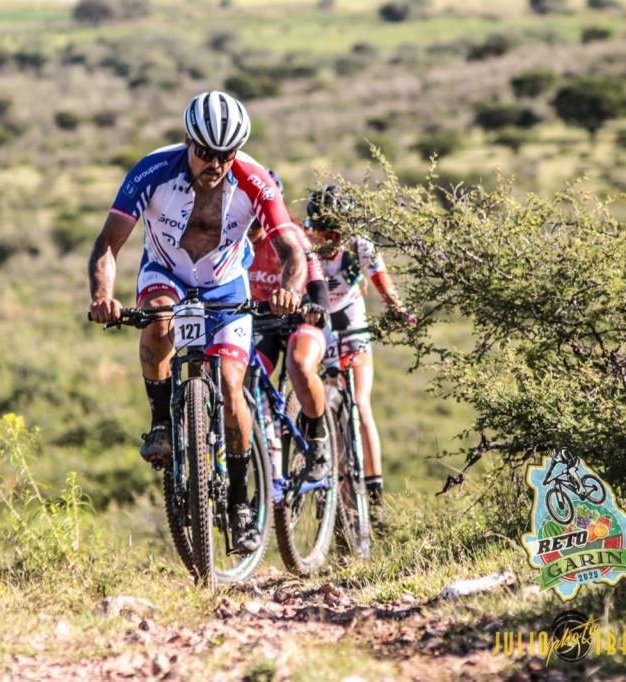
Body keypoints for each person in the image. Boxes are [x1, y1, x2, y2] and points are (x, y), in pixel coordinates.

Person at [88, 91, 308, 552]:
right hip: (165, 272)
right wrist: (102, 296)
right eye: (205, 152)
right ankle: (161, 421)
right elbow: (108, 244)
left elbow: (293, 250)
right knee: (159, 324)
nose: (215, 163)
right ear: (189, 140)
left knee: (231, 386)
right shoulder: (153, 171)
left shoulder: (255, 180)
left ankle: (240, 502)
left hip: (227, 284)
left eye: (225, 154)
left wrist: (289, 288)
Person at [305, 184, 416, 520]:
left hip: (352, 320)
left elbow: (382, 281)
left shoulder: (359, 245)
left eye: (336, 231)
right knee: (321, 399)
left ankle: (375, 487)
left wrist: (397, 309)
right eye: (322, 230)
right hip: (321, 323)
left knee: (361, 403)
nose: (329, 238)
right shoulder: (305, 247)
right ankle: (330, 477)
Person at [246, 170, 333, 489]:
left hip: (302, 317)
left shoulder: (290, 235)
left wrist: (318, 308)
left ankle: (318, 441)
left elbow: (316, 279)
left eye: (259, 219)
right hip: (262, 323)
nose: (253, 227)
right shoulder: (233, 239)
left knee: (299, 363)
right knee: (241, 377)